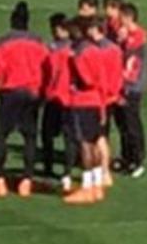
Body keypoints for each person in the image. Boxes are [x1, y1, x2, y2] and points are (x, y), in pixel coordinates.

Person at [0, 1, 47, 198]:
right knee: (30, 137)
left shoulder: (4, 42)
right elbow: (45, 68)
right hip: (31, 92)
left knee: (1, 136)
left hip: (10, 92)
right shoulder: (38, 43)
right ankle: (26, 180)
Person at [63, 17, 108, 205]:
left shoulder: (80, 53)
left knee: (85, 144)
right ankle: (97, 186)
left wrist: (75, 67)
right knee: (95, 141)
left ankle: (87, 187)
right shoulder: (96, 49)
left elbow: (87, 79)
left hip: (83, 102)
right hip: (97, 101)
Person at [40, 12, 77, 191]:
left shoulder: (51, 49)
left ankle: (48, 169)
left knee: (48, 134)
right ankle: (67, 174)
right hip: (70, 98)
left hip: (55, 97)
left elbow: (46, 74)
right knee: (69, 137)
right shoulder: (75, 49)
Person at [114, 2, 147, 178]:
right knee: (122, 124)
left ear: (128, 18)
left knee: (132, 123)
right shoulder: (129, 36)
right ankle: (126, 156)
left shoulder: (138, 37)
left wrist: (123, 41)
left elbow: (131, 63)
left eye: (121, 19)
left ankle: (138, 159)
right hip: (123, 86)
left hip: (132, 87)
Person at [93, 18, 125, 189]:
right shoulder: (115, 49)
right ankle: (102, 171)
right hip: (110, 96)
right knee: (101, 135)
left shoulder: (100, 51)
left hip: (101, 97)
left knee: (98, 136)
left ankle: (103, 172)